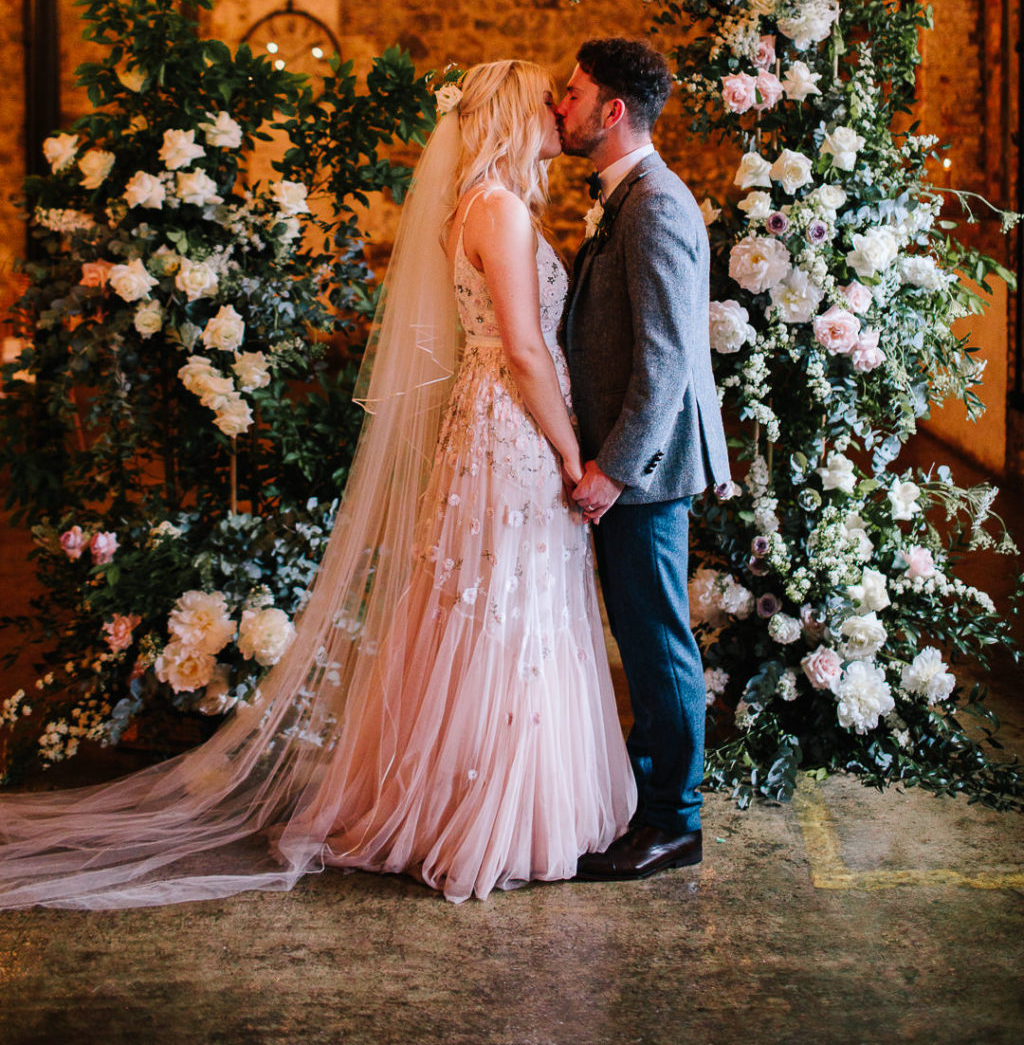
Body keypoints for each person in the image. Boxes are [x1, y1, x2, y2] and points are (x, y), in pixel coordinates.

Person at [0, 60, 634, 910]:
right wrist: (567, 452)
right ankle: (496, 814)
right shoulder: (507, 211)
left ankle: (462, 797)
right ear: (516, 118)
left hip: (480, 419)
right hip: (515, 425)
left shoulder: (469, 208)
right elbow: (522, 348)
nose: (562, 114)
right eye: (547, 105)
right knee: (509, 602)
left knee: (482, 600)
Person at [556, 37, 730, 881]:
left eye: (573, 91)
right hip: (633, 465)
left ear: (612, 110)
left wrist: (612, 470)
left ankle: (674, 821)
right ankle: (654, 799)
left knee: (658, 641)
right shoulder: (631, 199)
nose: (563, 105)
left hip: (646, 471)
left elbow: (663, 360)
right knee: (641, 629)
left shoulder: (656, 205)